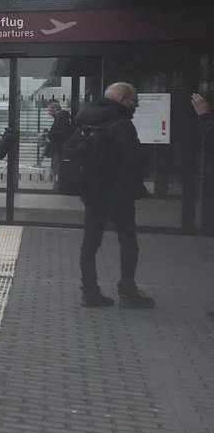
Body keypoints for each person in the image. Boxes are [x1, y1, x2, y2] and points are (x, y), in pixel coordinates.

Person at [75, 82, 152, 309]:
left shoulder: (86, 119)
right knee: (128, 242)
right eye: (134, 99)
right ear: (122, 99)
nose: (136, 104)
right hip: (119, 192)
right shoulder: (121, 123)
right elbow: (134, 159)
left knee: (90, 242)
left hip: (92, 190)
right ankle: (128, 292)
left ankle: (89, 291)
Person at [43, 99, 73, 186]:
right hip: (60, 146)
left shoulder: (60, 118)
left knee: (56, 165)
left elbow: (60, 133)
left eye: (49, 110)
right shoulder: (62, 117)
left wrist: (49, 134)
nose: (48, 113)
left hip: (58, 147)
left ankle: (58, 183)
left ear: (55, 109)